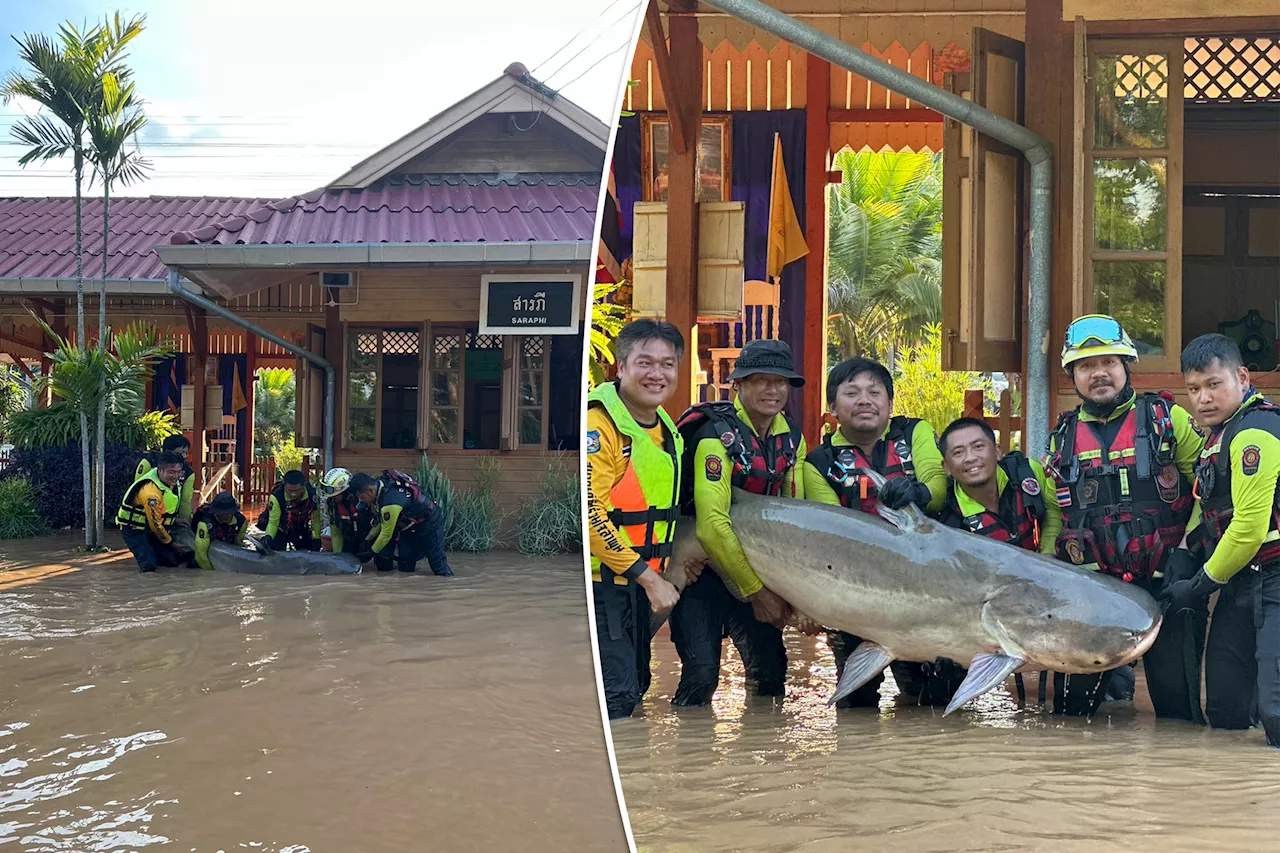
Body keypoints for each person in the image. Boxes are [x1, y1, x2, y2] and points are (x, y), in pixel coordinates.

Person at [1044, 314, 1205, 719]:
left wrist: (1188, 550)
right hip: (1090, 595)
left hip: (1168, 583)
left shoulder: (1169, 420)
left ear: (1126, 365)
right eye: (1086, 366)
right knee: (1071, 718)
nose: (1099, 373)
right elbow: (1053, 514)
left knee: (1177, 716)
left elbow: (1208, 493)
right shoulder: (1060, 439)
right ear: (1072, 375)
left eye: (1109, 362)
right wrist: (1047, 572)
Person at [669, 338, 807, 706]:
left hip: (756, 567)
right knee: (702, 673)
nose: (771, 389)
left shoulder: (792, 439)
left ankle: (764, 755)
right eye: (760, 380)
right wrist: (757, 593)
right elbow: (711, 524)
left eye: (780, 381)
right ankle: (688, 754)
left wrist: (798, 598)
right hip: (702, 569)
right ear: (739, 385)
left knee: (772, 672)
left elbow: (796, 515)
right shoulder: (715, 436)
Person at [803, 357, 947, 707]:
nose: (865, 400)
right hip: (855, 593)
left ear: (890, 403)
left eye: (874, 392)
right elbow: (831, 533)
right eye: (851, 393)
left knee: (929, 700)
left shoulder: (915, 433)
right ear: (833, 407)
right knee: (855, 704)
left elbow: (938, 486)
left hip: (923, 592)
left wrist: (919, 493)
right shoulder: (818, 463)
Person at [1163, 334, 1280, 747]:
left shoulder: (1255, 433)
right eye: (1193, 389)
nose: (1203, 398)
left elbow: (1248, 527)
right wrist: (1183, 553)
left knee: (1276, 716)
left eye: (1214, 384)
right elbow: (1207, 505)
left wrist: (1197, 587)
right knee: (1226, 711)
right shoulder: (1215, 437)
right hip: (1239, 581)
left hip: (1275, 578)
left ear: (1242, 377)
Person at [586, 319, 684, 719]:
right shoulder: (600, 426)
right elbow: (589, 515)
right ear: (621, 367)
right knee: (618, 693)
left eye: (667, 364)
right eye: (645, 362)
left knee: (636, 685)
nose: (656, 373)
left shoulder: (665, 428)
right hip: (603, 585)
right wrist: (650, 578)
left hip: (637, 587)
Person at [936, 417, 1062, 705]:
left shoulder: (1028, 475)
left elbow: (1055, 511)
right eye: (958, 453)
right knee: (942, 684)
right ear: (946, 467)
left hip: (1049, 588)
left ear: (997, 451)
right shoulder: (947, 520)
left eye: (978, 446)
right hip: (988, 610)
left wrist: (1047, 558)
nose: (971, 458)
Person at [351, 470, 454, 576]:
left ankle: (448, 583)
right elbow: (381, 522)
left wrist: (371, 552)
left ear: (370, 491)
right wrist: (368, 539)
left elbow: (386, 535)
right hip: (409, 527)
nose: (361, 501)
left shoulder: (390, 502)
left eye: (362, 497)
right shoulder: (380, 487)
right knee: (405, 566)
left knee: (438, 565)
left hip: (429, 521)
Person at [117, 451, 192, 572]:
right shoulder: (151, 493)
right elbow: (155, 525)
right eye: (171, 472)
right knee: (149, 566)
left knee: (172, 562)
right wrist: (170, 543)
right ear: (160, 470)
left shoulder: (171, 482)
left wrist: (176, 521)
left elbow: (163, 511)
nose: (176, 476)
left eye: (179, 472)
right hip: (134, 530)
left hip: (152, 527)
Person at [135, 435, 195, 526]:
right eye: (181, 453)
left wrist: (185, 520)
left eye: (186, 453)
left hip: (169, 520)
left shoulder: (188, 473)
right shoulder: (150, 462)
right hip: (142, 518)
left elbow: (185, 500)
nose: (185, 456)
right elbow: (137, 489)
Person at [258, 469, 322, 552]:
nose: (293, 494)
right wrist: (268, 539)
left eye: (297, 490)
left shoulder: (313, 495)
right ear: (285, 486)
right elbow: (273, 522)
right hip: (281, 527)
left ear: (303, 486)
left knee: (311, 550)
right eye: (290, 491)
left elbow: (316, 521)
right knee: (274, 547)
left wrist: (316, 538)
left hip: (301, 526)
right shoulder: (277, 496)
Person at [320, 467, 375, 556]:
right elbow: (336, 532)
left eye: (334, 493)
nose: (332, 497)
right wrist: (337, 556)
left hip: (370, 537)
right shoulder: (332, 504)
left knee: (383, 564)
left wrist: (369, 544)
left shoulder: (361, 499)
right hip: (350, 539)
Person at [191, 491, 248, 570]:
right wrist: (213, 574)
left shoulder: (241, 521)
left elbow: (238, 545)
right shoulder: (205, 523)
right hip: (203, 549)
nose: (227, 516)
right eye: (223, 513)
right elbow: (200, 555)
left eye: (230, 512)